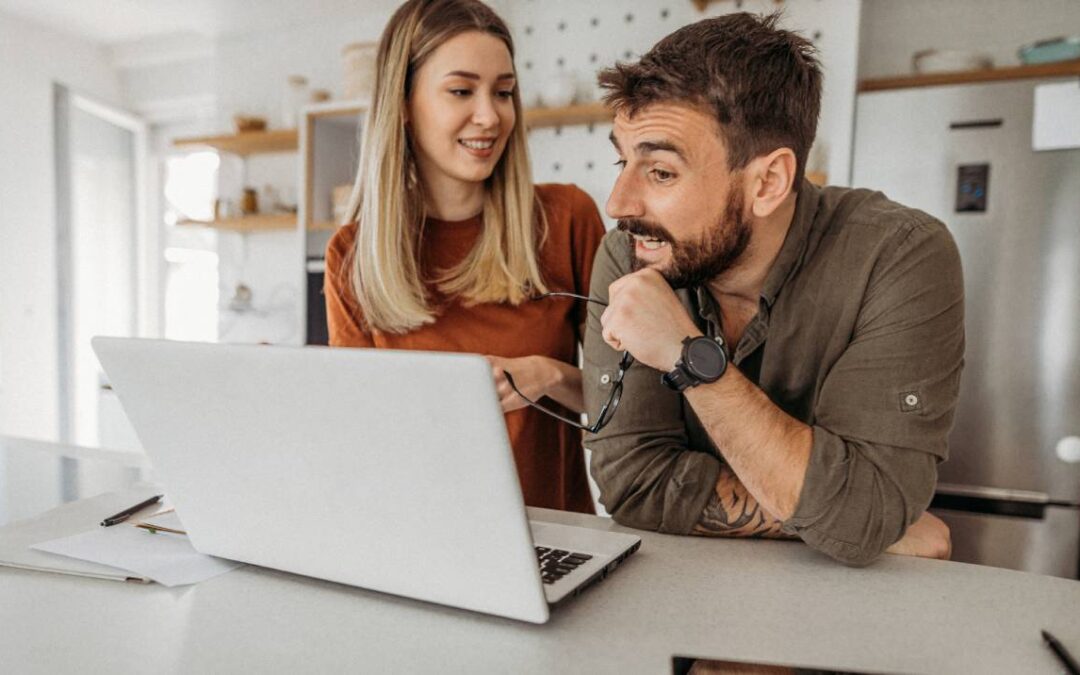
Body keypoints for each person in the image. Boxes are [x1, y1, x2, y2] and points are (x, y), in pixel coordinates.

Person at [582, 13, 962, 565]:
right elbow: (633, 484)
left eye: (660, 172)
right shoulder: (633, 254)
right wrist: (842, 518)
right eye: (623, 160)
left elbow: (868, 508)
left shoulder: (899, 255)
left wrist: (688, 357)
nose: (618, 204)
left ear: (768, 182)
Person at [324, 0, 605, 513]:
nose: (490, 115)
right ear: (404, 104)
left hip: (552, 542)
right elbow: (360, 437)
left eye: (503, 92)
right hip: (415, 536)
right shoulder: (351, 255)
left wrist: (551, 376)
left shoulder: (567, 219)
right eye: (461, 91)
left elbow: (636, 402)